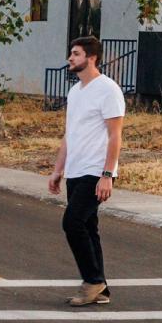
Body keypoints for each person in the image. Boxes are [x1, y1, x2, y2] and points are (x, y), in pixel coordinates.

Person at [47, 36, 125, 306]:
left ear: (91, 58)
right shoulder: (76, 91)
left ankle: (92, 281)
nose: (70, 58)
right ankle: (101, 289)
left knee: (73, 222)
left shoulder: (108, 90)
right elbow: (70, 134)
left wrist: (107, 174)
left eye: (76, 54)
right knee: (89, 227)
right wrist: (58, 170)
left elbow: (115, 136)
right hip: (76, 171)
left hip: (95, 170)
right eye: (71, 53)